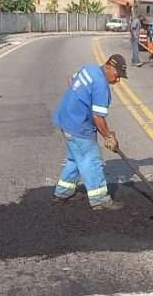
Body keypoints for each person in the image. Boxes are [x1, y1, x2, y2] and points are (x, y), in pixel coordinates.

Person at [52, 54, 129, 212]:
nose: (117, 80)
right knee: (91, 160)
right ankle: (100, 200)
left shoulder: (90, 69)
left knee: (76, 157)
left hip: (65, 117)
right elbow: (98, 117)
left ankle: (63, 192)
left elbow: (71, 80)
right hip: (78, 125)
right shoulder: (101, 86)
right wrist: (108, 137)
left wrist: (80, 101)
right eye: (117, 75)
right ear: (109, 67)